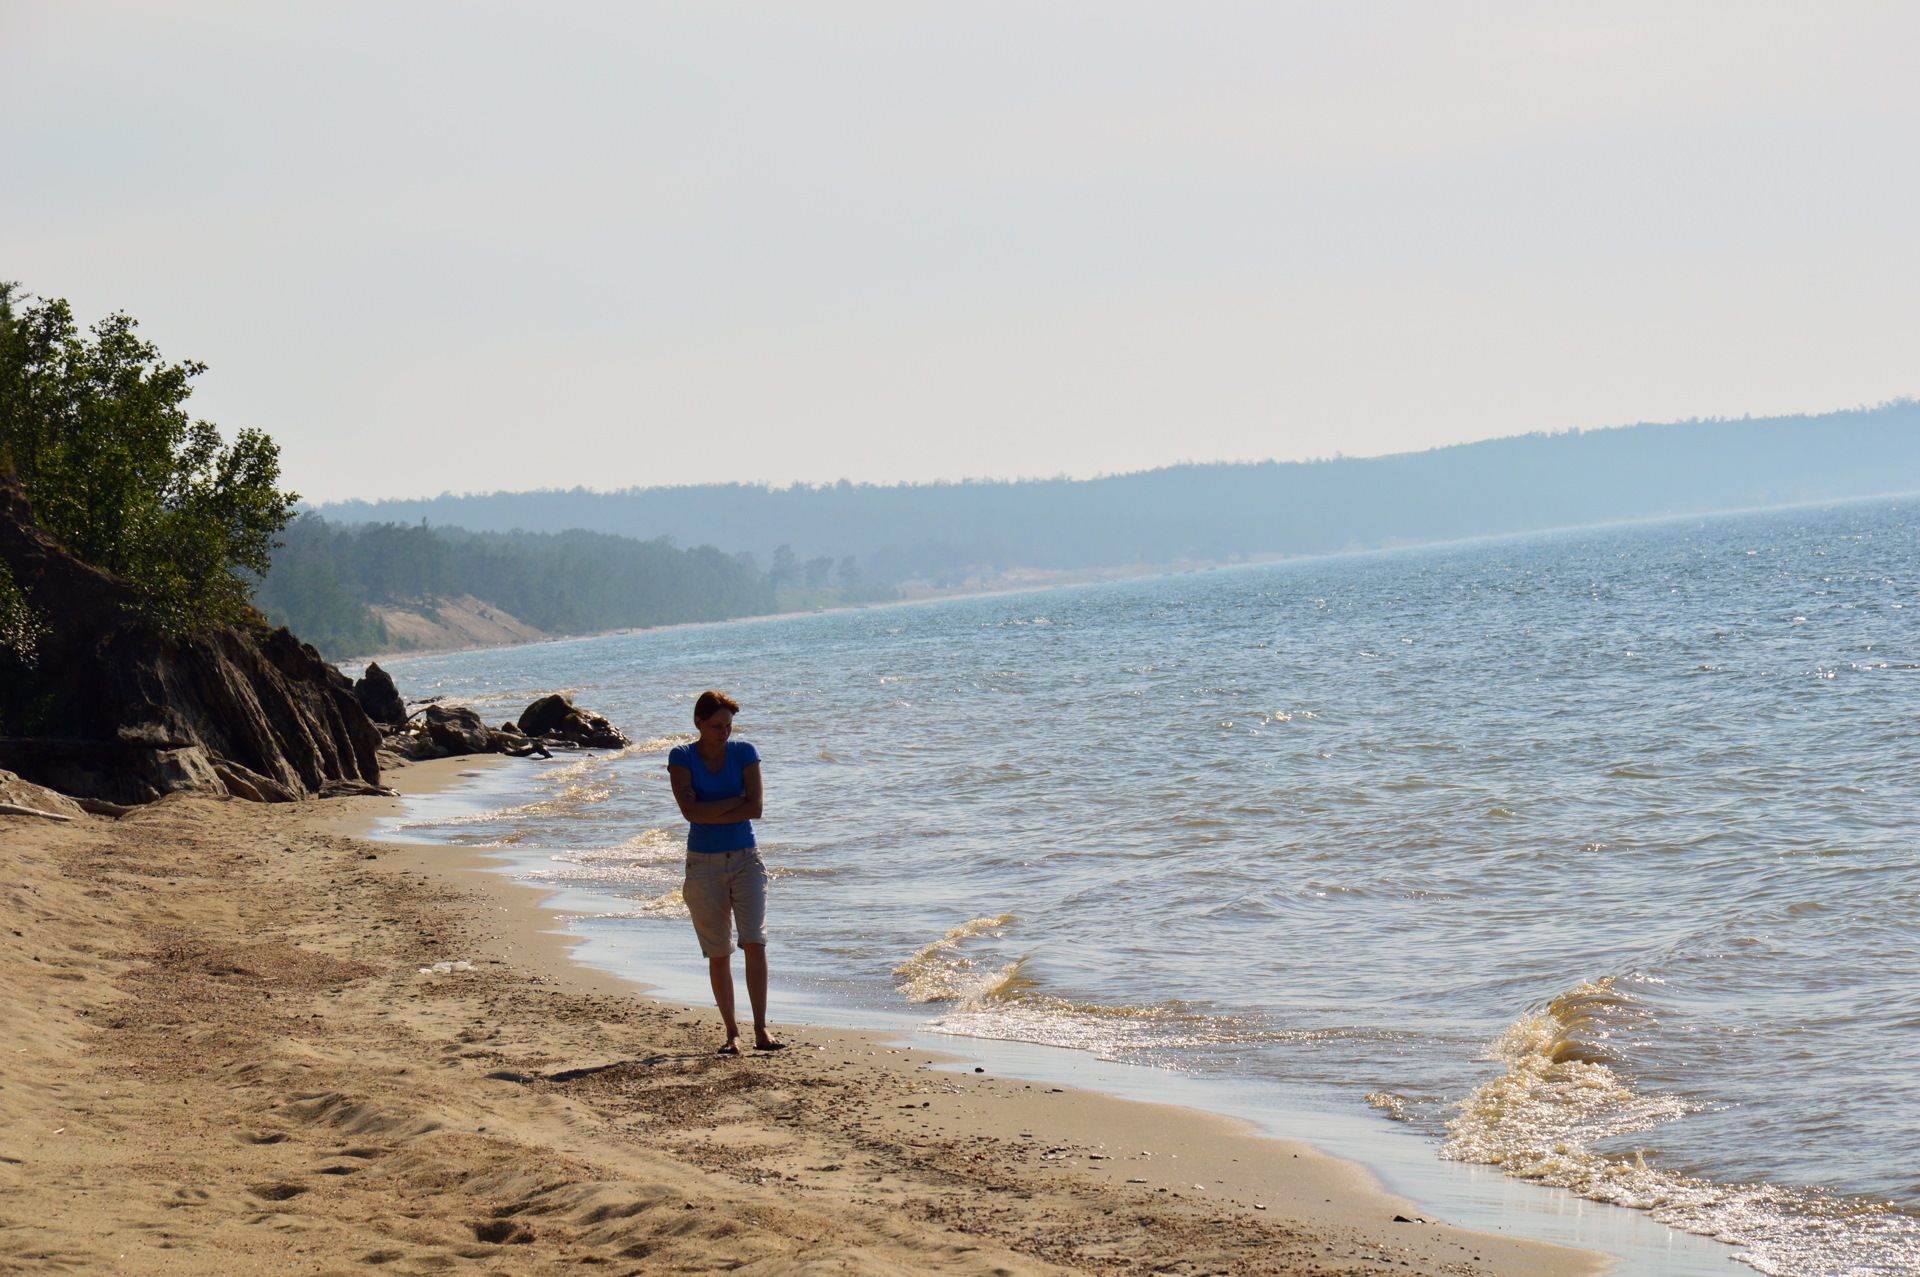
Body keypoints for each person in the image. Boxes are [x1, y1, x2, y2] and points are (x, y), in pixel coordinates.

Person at [666, 690, 782, 1054]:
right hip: (703, 863)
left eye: (728, 725)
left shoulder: (745, 752)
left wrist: (710, 807)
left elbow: (757, 807)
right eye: (716, 726)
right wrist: (737, 803)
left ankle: (762, 1030)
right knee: (719, 951)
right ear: (698, 722)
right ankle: (733, 1032)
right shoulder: (681, 757)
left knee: (754, 942)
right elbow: (690, 813)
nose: (724, 732)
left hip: (746, 858)